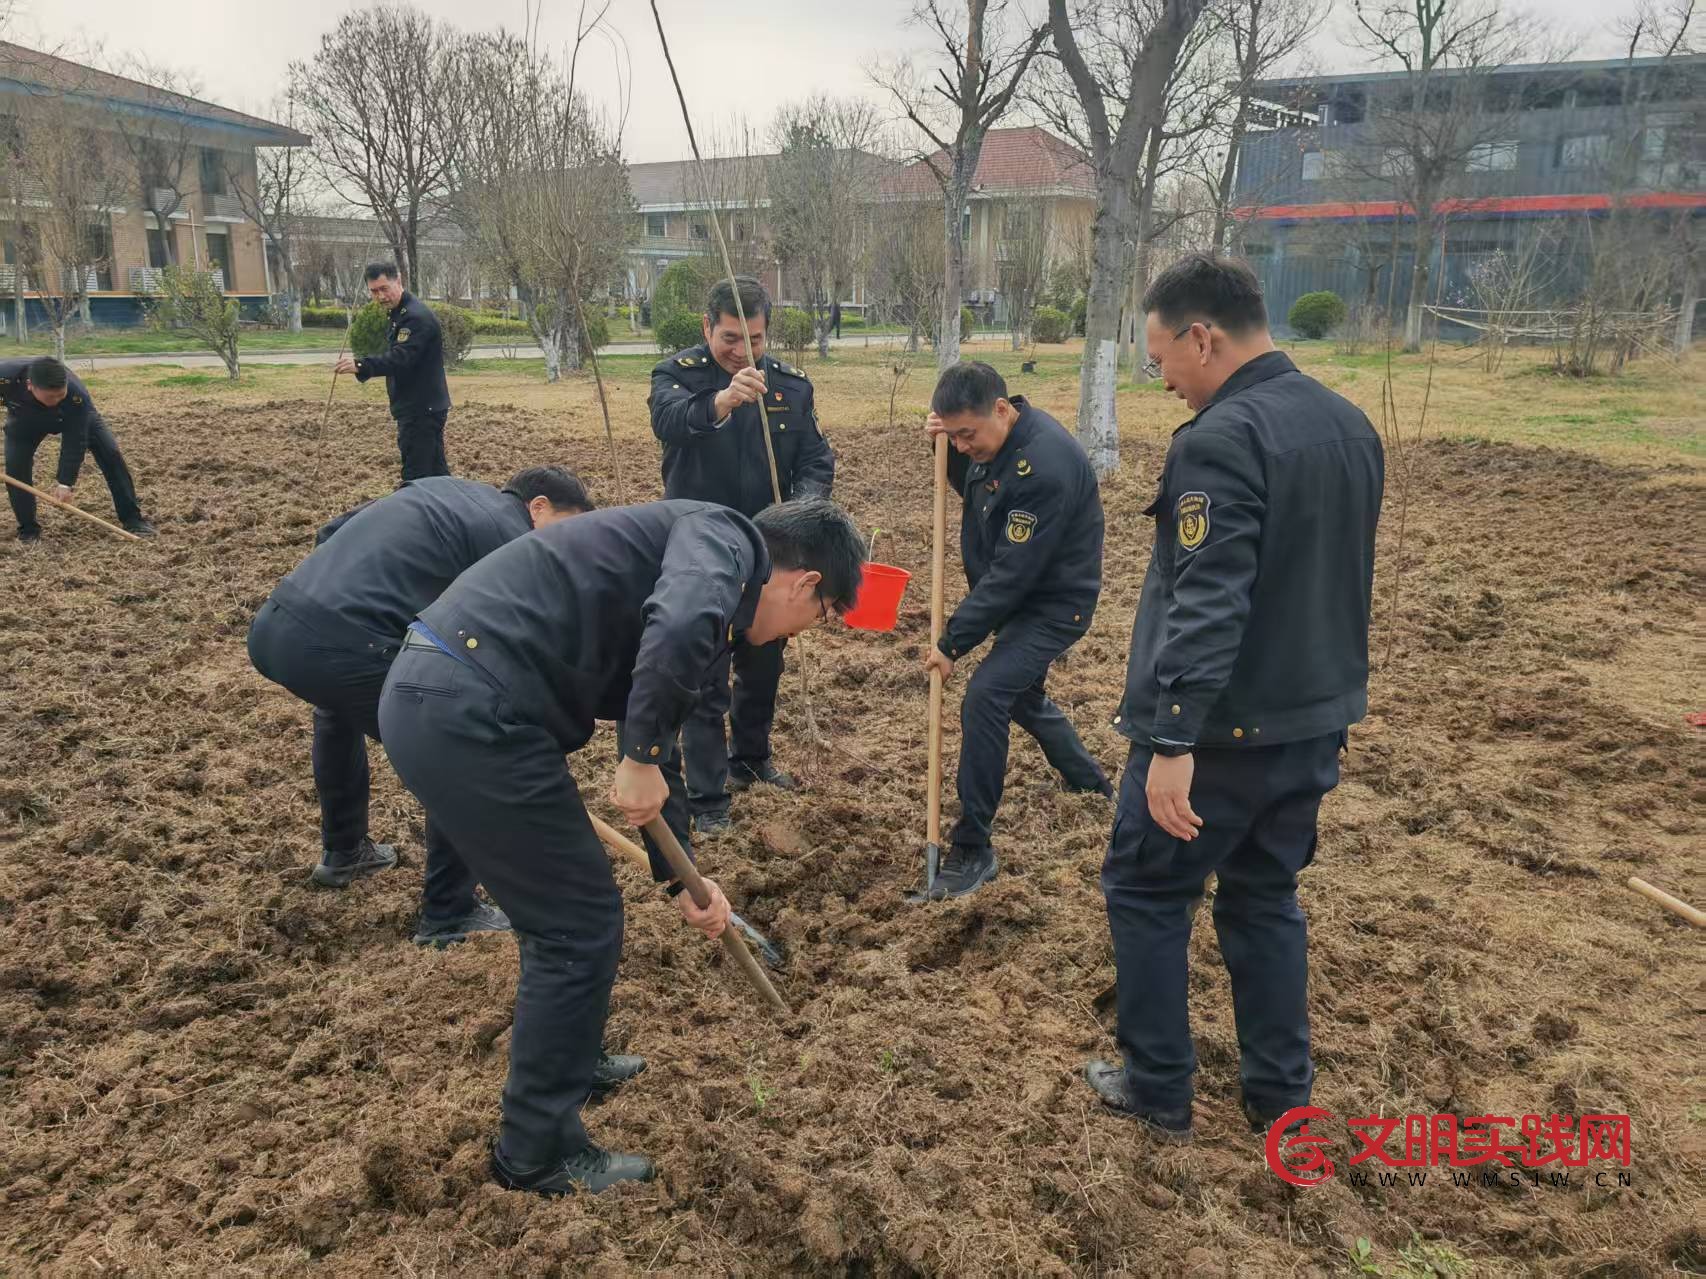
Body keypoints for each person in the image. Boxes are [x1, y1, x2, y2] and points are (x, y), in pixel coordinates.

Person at [377, 497, 866, 1195]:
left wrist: (683, 881)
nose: (794, 635)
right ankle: (535, 1150)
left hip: (456, 697)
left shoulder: (709, 595)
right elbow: (673, 632)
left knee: (569, 913)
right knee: (576, 922)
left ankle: (572, 1057)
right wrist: (635, 755)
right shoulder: (724, 542)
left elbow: (663, 732)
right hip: (468, 703)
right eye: (815, 620)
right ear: (806, 583)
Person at [1083, 253, 1384, 1143]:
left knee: (1143, 888)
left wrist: (1173, 739)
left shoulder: (1222, 437)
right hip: (1312, 726)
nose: (1163, 379)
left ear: (1201, 336)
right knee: (1263, 897)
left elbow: (1209, 597)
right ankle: (1281, 1096)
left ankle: (1158, 1085)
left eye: (1160, 357)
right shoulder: (1349, 425)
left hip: (1220, 735)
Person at [247, 467, 591, 946]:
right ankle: (449, 913)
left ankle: (344, 852)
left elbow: (331, 533)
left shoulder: (443, 491)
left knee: (336, 710)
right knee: (462, 743)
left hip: (278, 625)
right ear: (538, 506)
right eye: (569, 525)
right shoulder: (512, 538)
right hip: (341, 644)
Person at [648, 276, 835, 837]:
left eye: (754, 338)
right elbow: (669, 423)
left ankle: (751, 759)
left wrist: (800, 511)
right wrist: (724, 400)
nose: (742, 351)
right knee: (705, 676)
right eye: (730, 338)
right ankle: (707, 799)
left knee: (762, 666)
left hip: (767, 555)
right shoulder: (676, 376)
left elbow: (816, 460)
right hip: (697, 550)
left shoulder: (791, 387)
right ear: (707, 327)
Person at [919, 361, 1110, 900]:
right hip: (1018, 598)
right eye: (951, 435)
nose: (960, 446)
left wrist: (953, 641)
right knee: (1023, 699)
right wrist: (945, 451)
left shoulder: (1044, 466)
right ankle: (1090, 783)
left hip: (1053, 606)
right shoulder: (996, 442)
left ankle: (973, 846)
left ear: (1002, 410)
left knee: (987, 695)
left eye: (967, 435)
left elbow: (1011, 574)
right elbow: (982, 486)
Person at [2, 355, 155, 542]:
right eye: (51, 396)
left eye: (61, 394)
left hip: (76, 417)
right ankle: (28, 529)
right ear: (30, 385)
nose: (57, 399)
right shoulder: (5, 376)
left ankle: (133, 519)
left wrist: (65, 482)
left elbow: (75, 439)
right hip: (25, 419)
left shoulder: (76, 393)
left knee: (111, 455)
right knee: (15, 468)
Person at [334, 263, 451, 482]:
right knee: (436, 474)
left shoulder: (415, 317)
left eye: (384, 288)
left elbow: (401, 358)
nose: (380, 296)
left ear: (399, 280)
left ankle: (420, 515)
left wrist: (361, 365)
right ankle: (454, 512)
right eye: (374, 291)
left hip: (420, 410)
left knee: (417, 477)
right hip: (422, 406)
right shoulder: (399, 313)